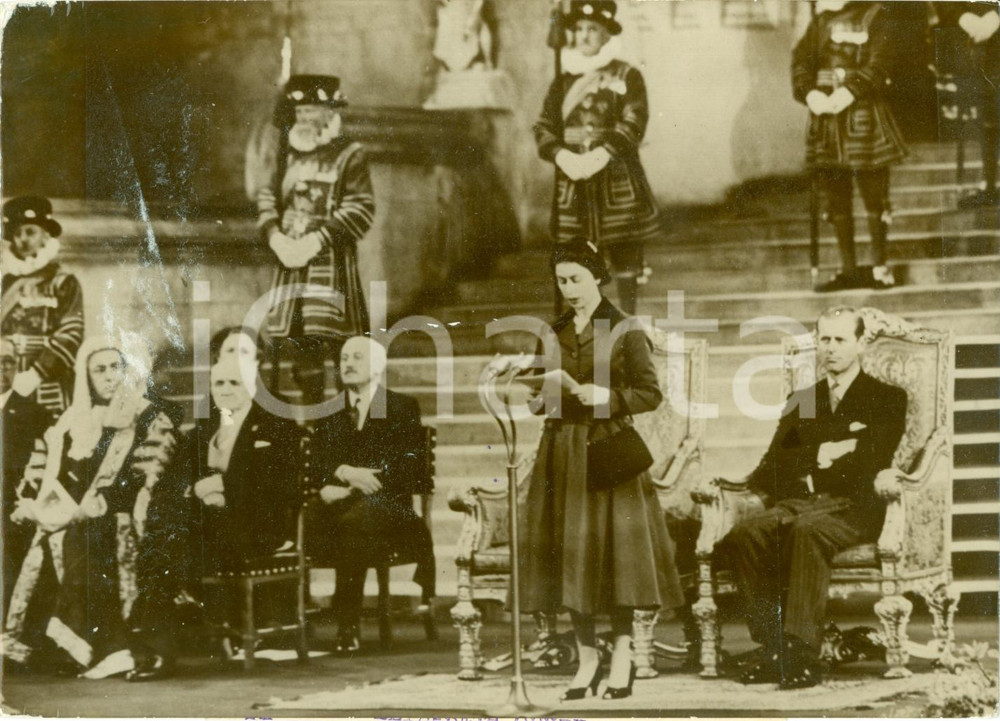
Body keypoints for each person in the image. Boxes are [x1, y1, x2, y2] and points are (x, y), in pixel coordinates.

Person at [518, 241, 684, 701]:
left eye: (576, 279)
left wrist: (607, 398)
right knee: (571, 560)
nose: (569, 289)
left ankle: (624, 655)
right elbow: (541, 388)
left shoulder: (625, 329)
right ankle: (588, 658)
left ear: (597, 277)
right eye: (561, 280)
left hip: (608, 451)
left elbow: (650, 393)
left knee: (617, 561)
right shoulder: (551, 331)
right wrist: (537, 398)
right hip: (560, 452)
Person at [716, 306, 907, 689]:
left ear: (859, 344)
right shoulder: (803, 398)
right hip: (804, 502)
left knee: (806, 531)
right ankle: (774, 651)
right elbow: (774, 465)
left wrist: (813, 457)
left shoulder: (886, 397)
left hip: (857, 508)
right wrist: (826, 451)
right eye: (824, 339)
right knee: (745, 534)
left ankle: (802, 655)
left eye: (840, 339)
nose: (831, 348)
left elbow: (873, 458)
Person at [2, 333, 182, 679]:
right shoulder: (74, 421)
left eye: (116, 366)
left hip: (128, 511)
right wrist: (38, 504)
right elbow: (59, 476)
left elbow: (150, 476)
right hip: (79, 513)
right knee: (40, 535)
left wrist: (93, 506)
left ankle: (110, 647)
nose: (109, 376)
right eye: (99, 370)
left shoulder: (150, 416)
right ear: (87, 377)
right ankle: (53, 646)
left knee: (81, 538)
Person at [306, 335, 435, 654]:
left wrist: (364, 481)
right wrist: (340, 478)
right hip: (340, 501)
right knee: (298, 515)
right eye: (344, 358)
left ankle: (347, 624)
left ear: (377, 367)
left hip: (390, 507)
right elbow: (317, 463)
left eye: (357, 358)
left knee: (357, 520)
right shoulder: (329, 411)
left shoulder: (401, 406)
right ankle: (296, 622)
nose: (347, 364)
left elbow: (409, 466)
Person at [256, 74, 375, 407]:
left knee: (335, 343)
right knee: (294, 345)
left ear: (330, 111)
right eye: (300, 111)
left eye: (312, 110)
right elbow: (267, 196)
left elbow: (361, 205)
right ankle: (307, 422)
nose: (305, 118)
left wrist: (320, 238)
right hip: (289, 262)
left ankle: (339, 423)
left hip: (329, 261)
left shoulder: (351, 154)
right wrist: (275, 236)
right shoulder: (285, 153)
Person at [535, 0, 659, 315]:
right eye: (578, 30)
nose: (584, 36)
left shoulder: (626, 74)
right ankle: (583, 329)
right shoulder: (563, 82)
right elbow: (544, 128)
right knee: (576, 261)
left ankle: (626, 323)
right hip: (573, 184)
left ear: (606, 35)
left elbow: (634, 121)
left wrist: (604, 153)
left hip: (615, 178)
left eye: (592, 29)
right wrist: (561, 155)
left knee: (625, 259)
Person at [793, 1, 908, 292]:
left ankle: (880, 268)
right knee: (835, 198)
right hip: (825, 116)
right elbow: (801, 61)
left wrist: (851, 90)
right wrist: (809, 93)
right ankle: (848, 270)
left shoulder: (876, 14)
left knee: (874, 196)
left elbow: (881, 64)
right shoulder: (821, 22)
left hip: (863, 110)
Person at [1, 196, 84, 417]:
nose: (23, 240)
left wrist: (37, 373)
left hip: (47, 379)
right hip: (4, 377)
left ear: (45, 237)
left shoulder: (63, 281)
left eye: (30, 232)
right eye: (17, 234)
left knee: (48, 440)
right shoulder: (4, 283)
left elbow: (72, 331)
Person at [1, 338, 51, 619]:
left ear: (17, 366)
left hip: (14, 510)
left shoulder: (34, 413)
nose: (1, 369)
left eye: (7, 362)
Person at [934, 2, 1000, 208]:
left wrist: (995, 16)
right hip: (972, 50)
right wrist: (965, 19)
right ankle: (989, 184)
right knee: (987, 119)